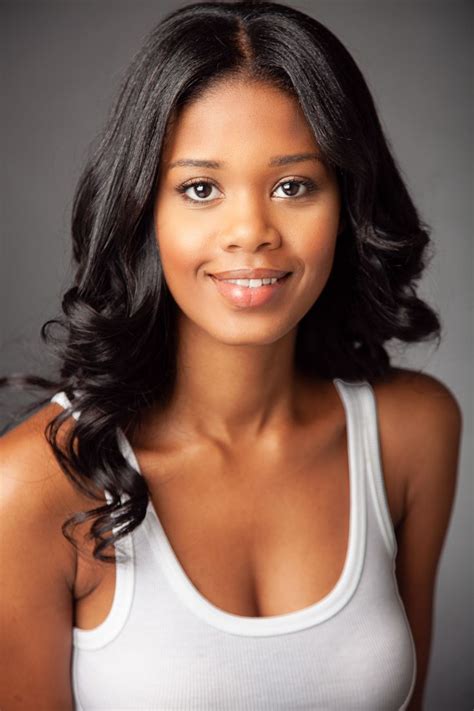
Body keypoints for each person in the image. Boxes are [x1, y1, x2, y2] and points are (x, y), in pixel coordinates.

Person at [0, 1, 462, 709]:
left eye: (292, 185)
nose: (250, 231)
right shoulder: (37, 484)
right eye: (200, 188)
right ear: (143, 210)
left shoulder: (412, 431)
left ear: (348, 202)